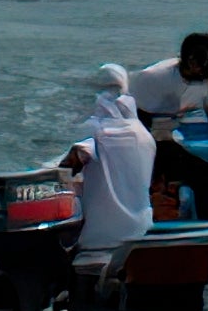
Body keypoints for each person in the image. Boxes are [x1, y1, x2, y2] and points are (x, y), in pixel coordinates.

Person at [129, 31, 208, 201]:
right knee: (166, 163)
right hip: (139, 134)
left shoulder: (206, 82)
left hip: (167, 134)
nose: (201, 68)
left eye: (206, 63)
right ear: (188, 59)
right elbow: (137, 116)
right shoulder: (155, 78)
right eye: (197, 61)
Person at [60, 65, 156, 250]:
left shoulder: (94, 131)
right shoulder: (144, 135)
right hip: (140, 232)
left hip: (99, 238)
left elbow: (63, 169)